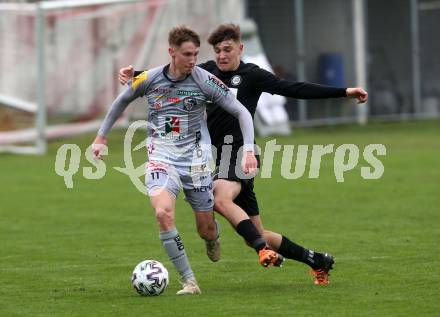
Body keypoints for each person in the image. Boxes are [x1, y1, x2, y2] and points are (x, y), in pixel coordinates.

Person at [118, 23, 368, 285]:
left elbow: (295, 88)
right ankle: (317, 260)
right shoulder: (206, 72)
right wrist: (135, 74)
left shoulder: (253, 75)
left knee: (219, 197)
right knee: (255, 232)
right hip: (220, 158)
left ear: (240, 48)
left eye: (227, 49)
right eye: (217, 51)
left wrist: (343, 92)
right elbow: (170, 74)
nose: (222, 55)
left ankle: (263, 250)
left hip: (241, 154)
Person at [92, 26, 283, 296]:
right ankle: (189, 281)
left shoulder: (205, 80)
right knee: (162, 213)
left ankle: (212, 237)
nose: (193, 60)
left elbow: (241, 111)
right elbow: (121, 101)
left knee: (205, 229)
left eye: (195, 54)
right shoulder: (151, 78)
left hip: (197, 161)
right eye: (187, 55)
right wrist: (101, 138)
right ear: (172, 53)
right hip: (161, 156)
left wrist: (249, 150)